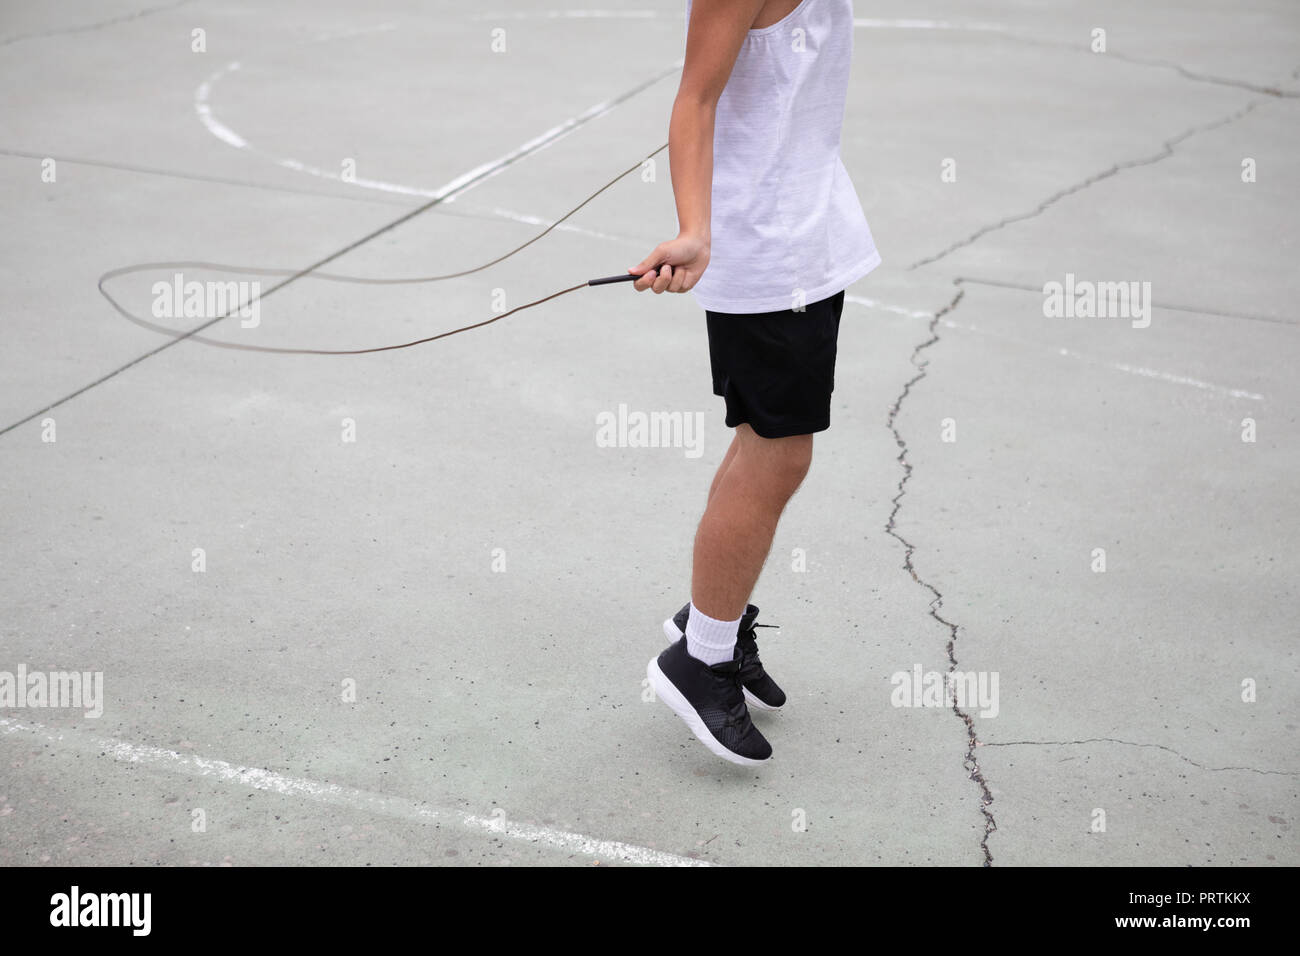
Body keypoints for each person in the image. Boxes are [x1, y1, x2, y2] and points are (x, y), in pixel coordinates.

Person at [633, 0, 881, 765]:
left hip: (813, 229)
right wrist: (695, 228)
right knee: (781, 454)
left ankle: (713, 621)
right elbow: (695, 98)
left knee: (763, 444)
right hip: (768, 250)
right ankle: (697, 658)